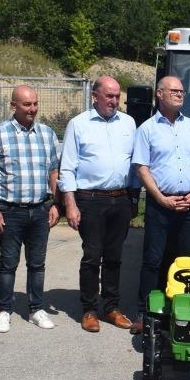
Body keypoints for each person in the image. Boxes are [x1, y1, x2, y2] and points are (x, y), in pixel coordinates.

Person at [130, 76, 190, 336]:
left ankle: (184, 309)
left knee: (188, 261)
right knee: (153, 261)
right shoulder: (147, 129)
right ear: (159, 94)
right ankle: (144, 314)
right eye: (174, 91)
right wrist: (159, 198)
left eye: (182, 91)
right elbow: (142, 168)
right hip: (161, 204)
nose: (180, 94)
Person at [59, 76, 138, 333]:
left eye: (117, 96)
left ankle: (111, 307)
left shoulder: (128, 123)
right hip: (90, 199)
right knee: (93, 257)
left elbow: (136, 166)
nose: (114, 101)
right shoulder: (78, 124)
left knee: (115, 257)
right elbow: (67, 168)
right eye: (109, 96)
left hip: (121, 198)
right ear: (95, 96)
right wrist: (70, 204)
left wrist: (134, 198)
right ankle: (89, 309)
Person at [0, 85, 60, 333]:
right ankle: (4, 309)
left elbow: (54, 171)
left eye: (35, 104)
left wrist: (55, 203)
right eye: (27, 104)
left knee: (37, 264)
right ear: (14, 106)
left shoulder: (46, 134)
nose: (33, 109)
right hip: (9, 210)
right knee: (8, 263)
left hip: (39, 210)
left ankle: (37, 308)